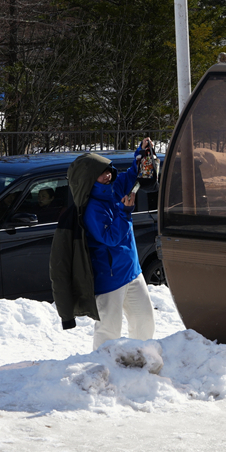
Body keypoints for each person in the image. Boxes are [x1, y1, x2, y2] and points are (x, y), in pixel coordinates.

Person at [53, 138, 156, 350]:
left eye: (109, 169)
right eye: (103, 172)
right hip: (109, 280)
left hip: (132, 271)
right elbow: (110, 238)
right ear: (90, 178)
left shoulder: (110, 188)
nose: (108, 174)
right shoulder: (91, 209)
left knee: (144, 321)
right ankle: (103, 369)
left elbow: (129, 177)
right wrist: (125, 212)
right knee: (109, 332)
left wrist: (141, 154)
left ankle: (141, 359)